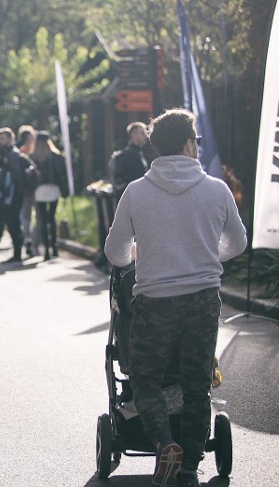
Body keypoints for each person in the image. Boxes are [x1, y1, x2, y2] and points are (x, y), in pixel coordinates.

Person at [104, 109, 246, 487]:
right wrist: (204, 255)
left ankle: (165, 442)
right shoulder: (216, 189)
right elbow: (238, 242)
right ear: (188, 144)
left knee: (146, 378)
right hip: (202, 298)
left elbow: (115, 252)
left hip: (155, 301)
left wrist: (136, 254)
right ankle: (190, 465)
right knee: (196, 382)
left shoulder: (136, 192)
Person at [0, 128, 34, 262]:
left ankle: (18, 253)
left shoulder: (12, 154)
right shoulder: (5, 153)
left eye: (3, 138)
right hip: (11, 194)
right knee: (12, 222)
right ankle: (17, 251)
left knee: (14, 222)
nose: (0, 141)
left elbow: (16, 176)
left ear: (10, 139)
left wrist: (10, 189)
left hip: (13, 195)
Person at [30, 131, 68, 260]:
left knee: (42, 219)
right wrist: (65, 191)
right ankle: (55, 248)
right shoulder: (55, 155)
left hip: (39, 189)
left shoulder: (33, 156)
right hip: (53, 188)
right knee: (52, 218)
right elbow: (62, 175)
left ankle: (46, 250)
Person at [111, 121, 150, 198]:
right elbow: (135, 178)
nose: (146, 136)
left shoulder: (137, 152)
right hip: (132, 196)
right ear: (133, 135)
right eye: (143, 133)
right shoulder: (130, 154)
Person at [16, 125, 38, 257]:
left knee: (29, 216)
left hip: (31, 188)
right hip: (28, 189)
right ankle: (29, 239)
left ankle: (30, 239)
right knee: (27, 215)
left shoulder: (33, 150)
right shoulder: (23, 152)